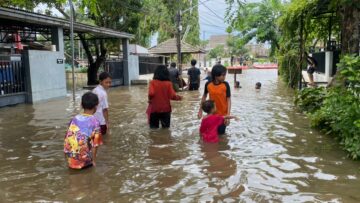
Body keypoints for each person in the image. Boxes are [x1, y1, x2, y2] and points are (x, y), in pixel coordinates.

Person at [64, 92, 103, 169]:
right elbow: (95, 144)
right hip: (84, 161)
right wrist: (94, 161)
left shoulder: (74, 119)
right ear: (96, 106)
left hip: (70, 158)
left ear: (81, 104)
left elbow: (67, 138)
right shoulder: (95, 122)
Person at [198, 64, 231, 134]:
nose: (224, 77)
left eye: (225, 75)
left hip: (223, 115)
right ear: (216, 75)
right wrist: (200, 110)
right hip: (211, 114)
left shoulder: (226, 85)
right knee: (211, 133)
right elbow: (204, 97)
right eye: (223, 75)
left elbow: (229, 99)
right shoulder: (208, 84)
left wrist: (228, 115)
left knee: (221, 134)